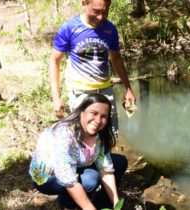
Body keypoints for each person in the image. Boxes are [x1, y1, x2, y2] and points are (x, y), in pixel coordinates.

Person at [49, 0, 135, 135]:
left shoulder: (110, 29)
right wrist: (56, 97)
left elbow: (116, 58)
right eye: (96, 11)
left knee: (109, 135)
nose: (101, 17)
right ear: (84, 3)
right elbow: (54, 61)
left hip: (106, 91)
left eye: (105, 12)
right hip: (80, 93)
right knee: (84, 137)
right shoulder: (69, 28)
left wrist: (128, 88)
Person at [29, 93, 128, 210]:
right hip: (49, 178)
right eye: (94, 113)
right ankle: (68, 205)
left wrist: (117, 206)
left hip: (76, 165)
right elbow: (69, 181)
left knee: (119, 162)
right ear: (82, 112)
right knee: (90, 180)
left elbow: (106, 169)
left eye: (104, 116)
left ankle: (102, 205)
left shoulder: (99, 134)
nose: (98, 120)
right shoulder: (64, 134)